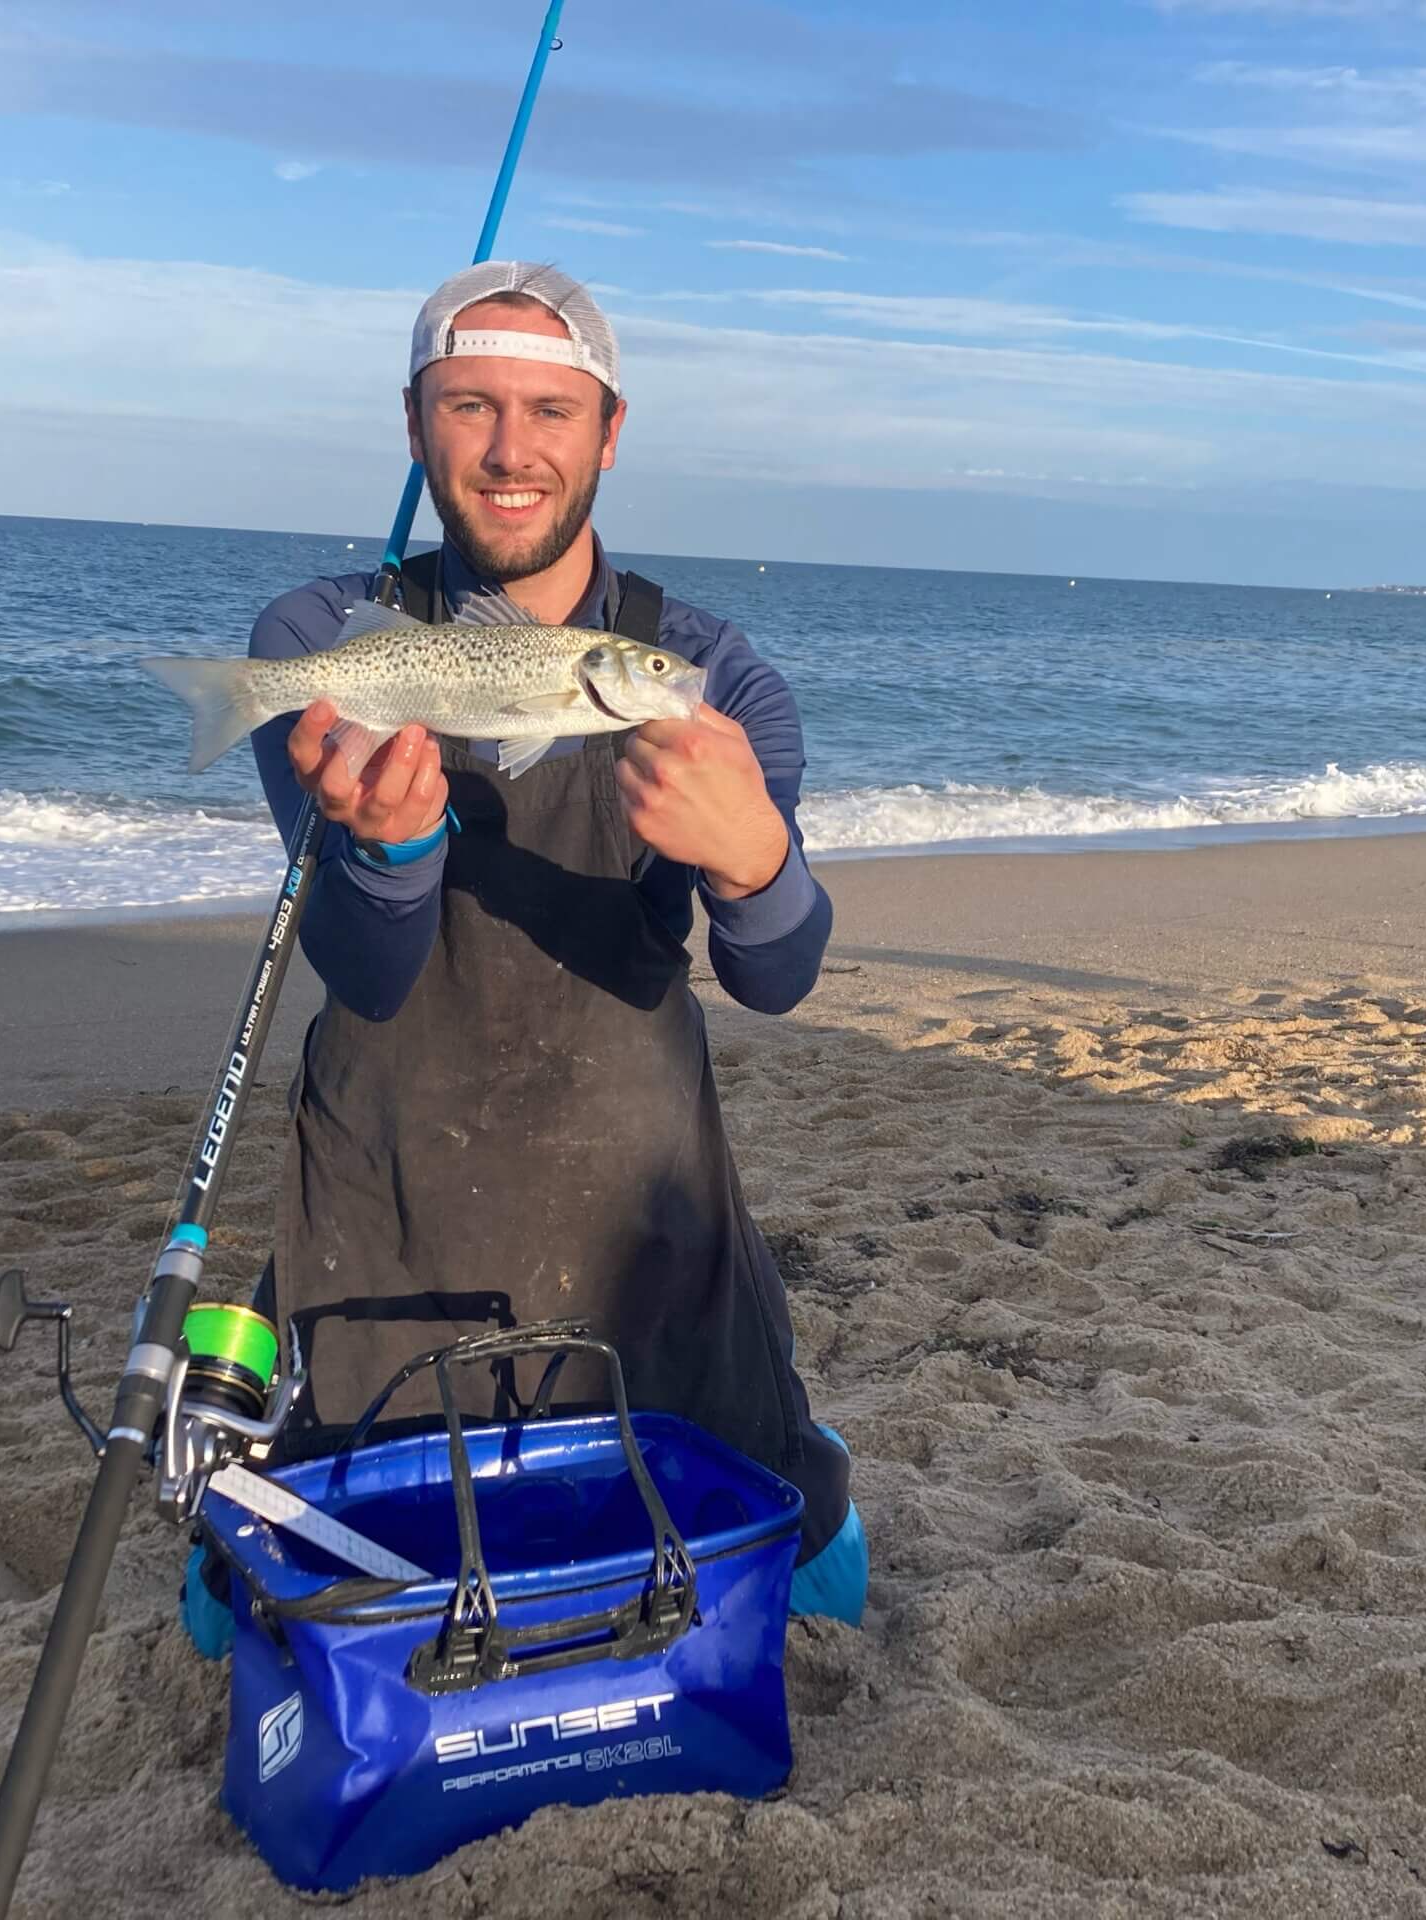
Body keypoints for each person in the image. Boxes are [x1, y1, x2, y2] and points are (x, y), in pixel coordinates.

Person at [178, 262, 864, 1655]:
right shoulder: (320, 641)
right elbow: (365, 974)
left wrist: (756, 864)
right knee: (253, 1608)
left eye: (552, 411)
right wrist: (388, 848)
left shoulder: (716, 674)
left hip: (646, 1207)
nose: (510, 450)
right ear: (417, 424)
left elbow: (781, 977)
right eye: (470, 405)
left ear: (609, 434)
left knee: (811, 1571)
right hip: (389, 1185)